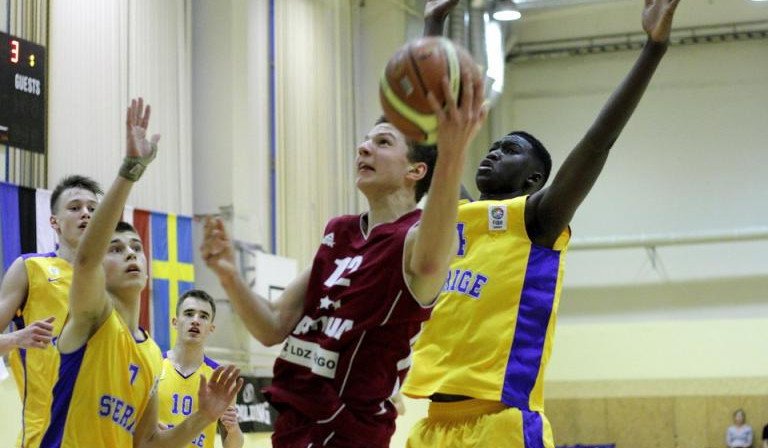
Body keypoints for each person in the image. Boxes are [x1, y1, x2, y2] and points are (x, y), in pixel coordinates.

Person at [402, 1, 683, 447]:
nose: (493, 152)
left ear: (533, 179)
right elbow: (431, 124)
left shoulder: (536, 221)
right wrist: (432, 23)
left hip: (501, 422)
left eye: (509, 149)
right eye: (493, 146)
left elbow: (598, 143)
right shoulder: (453, 217)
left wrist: (654, 48)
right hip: (433, 422)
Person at [202, 71, 486, 445]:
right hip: (293, 425)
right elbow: (272, 325)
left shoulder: (415, 239)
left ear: (415, 171)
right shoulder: (339, 233)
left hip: (349, 431)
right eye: (365, 142)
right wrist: (228, 276)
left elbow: (433, 261)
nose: (363, 149)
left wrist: (452, 151)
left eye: (382, 143)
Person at [39, 98, 243, 448]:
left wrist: (203, 418)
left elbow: (147, 444)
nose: (131, 253)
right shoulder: (93, 316)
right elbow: (86, 260)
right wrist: (131, 168)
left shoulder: (152, 354)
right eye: (115, 249)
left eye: (136, 247)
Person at [0, 174, 102, 447]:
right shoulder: (30, 269)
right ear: (54, 222)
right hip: (45, 432)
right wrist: (16, 339)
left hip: (100, 432)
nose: (86, 214)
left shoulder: (110, 279)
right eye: (75, 207)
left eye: (93, 208)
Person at [159, 289, 244, 448]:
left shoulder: (220, 378)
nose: (196, 320)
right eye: (189, 313)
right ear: (175, 322)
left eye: (204, 316)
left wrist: (233, 429)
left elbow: (234, 446)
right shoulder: (152, 366)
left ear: (211, 328)